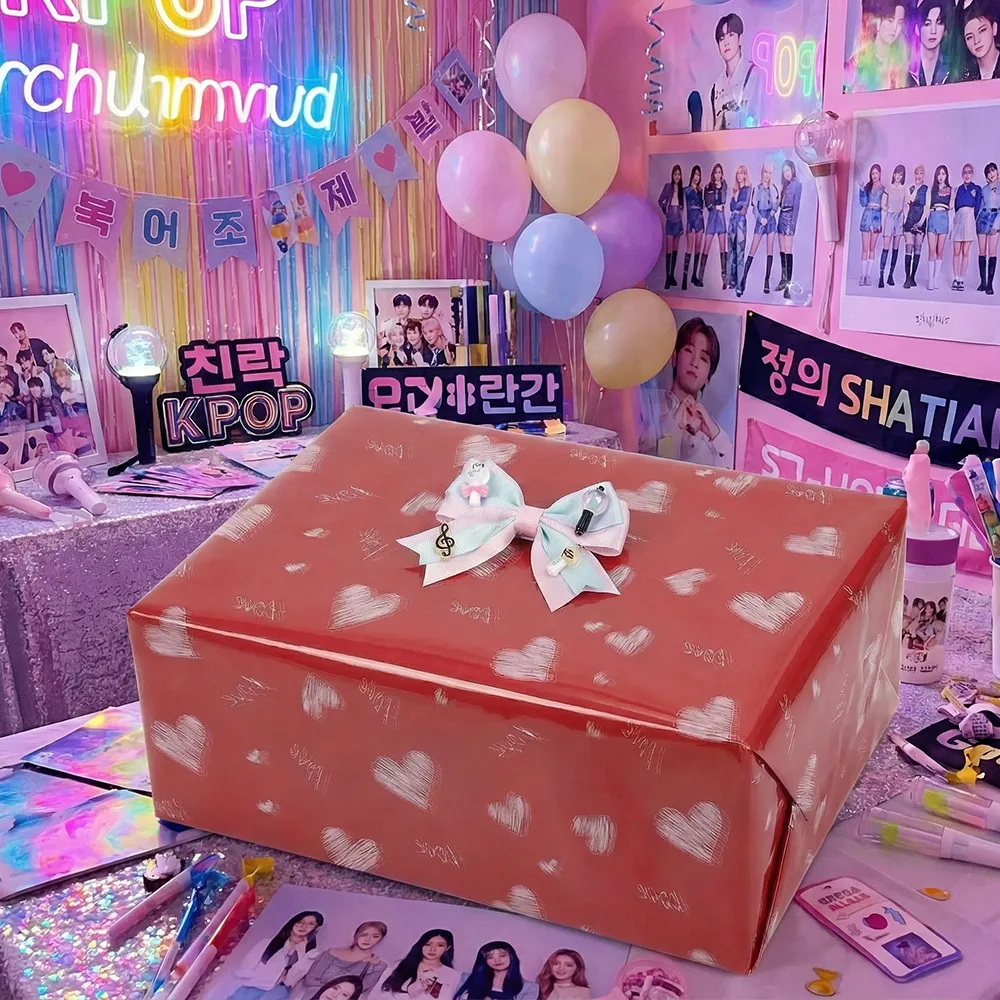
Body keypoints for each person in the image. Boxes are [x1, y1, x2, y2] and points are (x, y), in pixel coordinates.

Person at [643, 318, 733, 467]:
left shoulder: (710, 433)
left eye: (703, 359)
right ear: (674, 357)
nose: (694, 362)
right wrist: (671, 425)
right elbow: (632, 450)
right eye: (689, 350)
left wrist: (713, 432)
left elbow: (735, 472)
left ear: (708, 377)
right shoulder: (647, 401)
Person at [227, 911, 324, 1000]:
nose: (303, 926)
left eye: (311, 924)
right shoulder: (267, 943)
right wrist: (259, 978)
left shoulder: (312, 955)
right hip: (251, 989)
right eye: (300, 922)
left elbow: (290, 980)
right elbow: (246, 966)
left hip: (277, 995)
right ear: (293, 922)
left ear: (316, 928)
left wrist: (301, 953)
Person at [297, 922, 388, 1000]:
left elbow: (356, 991)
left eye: (375, 936)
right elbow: (310, 979)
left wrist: (364, 964)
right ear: (356, 935)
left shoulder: (377, 966)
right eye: (364, 935)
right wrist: (328, 994)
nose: (368, 939)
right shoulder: (330, 953)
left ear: (380, 940)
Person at [710, 14, 763, 130]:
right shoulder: (716, 87)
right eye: (721, 38)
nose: (726, 42)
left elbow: (757, 120)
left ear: (740, 39)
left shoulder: (754, 74)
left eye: (731, 35)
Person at [845, 0, 910, 91]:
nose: (895, 28)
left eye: (899, 23)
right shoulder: (858, 61)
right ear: (878, 23)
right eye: (890, 20)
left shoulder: (900, 62)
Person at [378, 930, 460, 1000]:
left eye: (440, 945)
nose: (433, 949)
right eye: (428, 944)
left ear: (447, 948)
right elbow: (377, 994)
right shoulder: (400, 966)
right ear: (421, 945)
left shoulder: (454, 975)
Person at [743, 161, 780, 295]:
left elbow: (777, 202)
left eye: (769, 173)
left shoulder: (773, 188)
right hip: (761, 220)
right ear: (762, 173)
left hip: (771, 220)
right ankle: (744, 278)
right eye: (765, 172)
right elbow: (754, 208)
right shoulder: (757, 189)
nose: (767, 175)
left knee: (769, 250)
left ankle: (767, 280)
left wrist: (774, 210)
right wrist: (760, 219)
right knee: (753, 248)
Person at [455, 942, 537, 1000]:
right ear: (484, 960)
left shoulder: (529, 988)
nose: (497, 960)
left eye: (502, 955)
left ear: (512, 957)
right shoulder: (466, 978)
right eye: (490, 957)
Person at [951, 162, 981, 291]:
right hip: (959, 218)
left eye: (969, 173)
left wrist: (972, 220)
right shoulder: (958, 189)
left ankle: (961, 279)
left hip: (969, 219)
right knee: (956, 251)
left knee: (965, 252)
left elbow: (978, 206)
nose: (967, 175)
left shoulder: (976, 188)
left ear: (972, 174)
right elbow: (955, 206)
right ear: (962, 175)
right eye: (965, 173)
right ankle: (955, 277)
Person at [776, 159, 801, 299]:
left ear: (792, 169)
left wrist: (793, 225)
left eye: (788, 170)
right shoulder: (785, 185)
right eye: (784, 171)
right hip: (781, 216)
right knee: (782, 251)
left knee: (788, 251)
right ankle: (783, 279)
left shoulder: (797, 184)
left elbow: (796, 206)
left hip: (790, 217)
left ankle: (788, 287)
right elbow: (780, 205)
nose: (786, 173)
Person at [909, 1, 951, 84]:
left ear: (945, 29)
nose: (933, 31)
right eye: (927, 24)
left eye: (939, 23)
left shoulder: (951, 67)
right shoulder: (907, 67)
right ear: (917, 28)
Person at [879, 164, 907, 287]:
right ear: (894, 174)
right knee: (886, 246)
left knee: (896, 248)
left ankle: (890, 275)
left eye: (901, 174)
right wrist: (888, 210)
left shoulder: (904, 189)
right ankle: (881, 275)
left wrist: (904, 217)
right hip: (890, 217)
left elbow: (906, 204)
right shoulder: (888, 188)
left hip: (900, 218)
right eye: (896, 173)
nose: (898, 176)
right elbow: (883, 203)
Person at [902, 163, 930, 288]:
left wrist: (920, 222)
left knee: (918, 247)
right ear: (914, 174)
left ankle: (913, 277)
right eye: (917, 173)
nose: (919, 175)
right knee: (909, 247)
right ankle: (907, 278)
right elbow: (907, 204)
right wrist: (906, 220)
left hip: (921, 220)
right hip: (910, 219)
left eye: (921, 173)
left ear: (924, 175)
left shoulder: (927, 189)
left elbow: (927, 207)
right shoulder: (909, 188)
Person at [657, 164, 685, 289]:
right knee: (669, 249)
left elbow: (682, 205)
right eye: (675, 174)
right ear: (672, 175)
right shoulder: (668, 186)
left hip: (678, 220)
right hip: (670, 220)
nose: (677, 176)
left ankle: (672, 275)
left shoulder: (682, 189)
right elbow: (660, 200)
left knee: (675, 250)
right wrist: (666, 211)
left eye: (679, 174)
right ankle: (667, 278)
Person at [926, 164, 952, 290]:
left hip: (944, 218)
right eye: (939, 174)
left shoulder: (951, 190)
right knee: (931, 250)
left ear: (946, 176)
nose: (941, 176)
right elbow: (927, 205)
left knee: (939, 251)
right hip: (933, 216)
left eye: (943, 174)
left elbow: (951, 206)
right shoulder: (932, 189)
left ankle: (936, 279)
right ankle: (930, 279)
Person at [858, 163, 885, 287]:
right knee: (865, 248)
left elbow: (884, 206)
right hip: (866, 217)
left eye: (876, 173)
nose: (874, 175)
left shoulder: (884, 189)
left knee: (872, 248)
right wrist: (861, 190)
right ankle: (863, 275)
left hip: (876, 219)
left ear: (880, 173)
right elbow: (863, 203)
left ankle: (868, 275)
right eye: (872, 173)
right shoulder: (867, 187)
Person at [728, 164, 751, 296]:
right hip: (732, 221)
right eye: (738, 173)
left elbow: (743, 206)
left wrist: (736, 203)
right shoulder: (735, 190)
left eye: (742, 173)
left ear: (745, 175)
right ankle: (732, 280)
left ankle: (740, 285)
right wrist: (736, 202)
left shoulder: (748, 188)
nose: (740, 176)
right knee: (732, 251)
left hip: (741, 222)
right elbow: (731, 207)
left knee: (740, 253)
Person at [977, 161, 1000, 294]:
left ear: (997, 171)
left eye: (993, 170)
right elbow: (980, 206)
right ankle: (983, 282)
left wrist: (997, 224)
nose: (991, 174)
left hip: (995, 216)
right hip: (983, 218)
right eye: (988, 172)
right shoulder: (983, 189)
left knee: (992, 252)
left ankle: (990, 285)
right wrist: (976, 222)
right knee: (982, 251)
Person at [702, 163, 727, 289]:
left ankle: (724, 279)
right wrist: (715, 207)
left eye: (719, 172)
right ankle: (700, 276)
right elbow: (707, 203)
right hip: (712, 218)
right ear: (713, 174)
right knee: (706, 247)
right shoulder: (708, 187)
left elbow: (724, 200)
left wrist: (720, 186)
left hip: (721, 219)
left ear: (722, 174)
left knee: (723, 249)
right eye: (716, 172)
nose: (718, 175)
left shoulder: (724, 185)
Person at [961, 1, 1000, 79]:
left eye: (982, 30)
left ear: (994, 28)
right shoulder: (961, 75)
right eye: (969, 37)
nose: (976, 41)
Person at [682, 166, 704, 290]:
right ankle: (684, 278)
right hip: (690, 220)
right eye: (695, 174)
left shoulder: (700, 190)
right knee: (689, 248)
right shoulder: (686, 190)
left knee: (697, 248)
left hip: (699, 220)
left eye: (699, 175)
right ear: (692, 175)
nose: (697, 177)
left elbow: (702, 206)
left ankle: (694, 275)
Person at [379, 295, 412, 359]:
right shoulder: (388, 324)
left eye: (404, 306)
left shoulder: (413, 324)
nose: (401, 310)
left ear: (409, 308)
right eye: (398, 307)